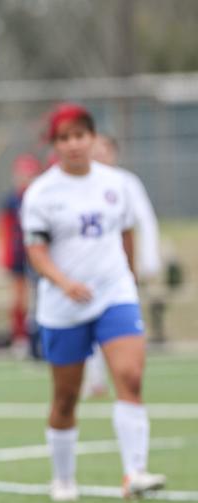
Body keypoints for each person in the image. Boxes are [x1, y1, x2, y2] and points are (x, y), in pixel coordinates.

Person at [20, 103, 166, 502]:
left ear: (93, 138)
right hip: (63, 305)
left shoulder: (118, 183)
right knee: (66, 397)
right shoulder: (42, 193)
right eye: (64, 138)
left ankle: (134, 473)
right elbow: (35, 251)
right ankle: (63, 478)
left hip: (114, 294)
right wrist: (64, 283)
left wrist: (130, 279)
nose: (73, 145)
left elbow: (127, 233)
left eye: (80, 135)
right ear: (54, 144)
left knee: (131, 377)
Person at [81, 134, 163, 398]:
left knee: (121, 325)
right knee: (88, 319)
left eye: (104, 149)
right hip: (88, 268)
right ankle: (95, 379)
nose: (99, 154)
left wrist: (148, 261)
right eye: (95, 149)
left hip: (118, 271)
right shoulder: (77, 184)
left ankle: (125, 377)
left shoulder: (126, 183)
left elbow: (144, 221)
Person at [0, 154, 42, 352]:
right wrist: (6, 257)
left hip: (40, 254)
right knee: (19, 298)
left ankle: (39, 336)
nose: (25, 178)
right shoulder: (11, 200)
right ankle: (20, 337)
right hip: (19, 254)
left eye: (29, 174)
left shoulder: (42, 197)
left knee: (41, 297)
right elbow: (5, 230)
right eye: (21, 174)